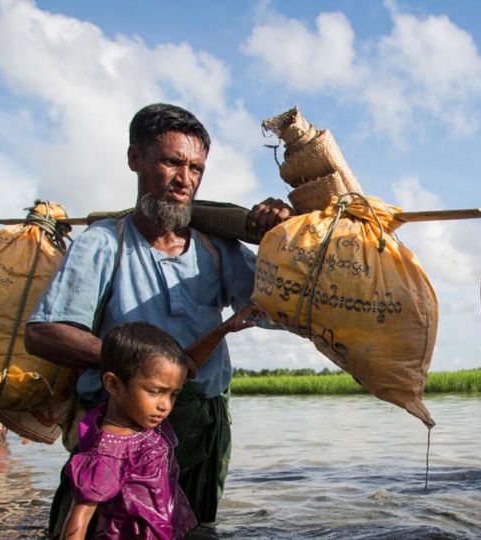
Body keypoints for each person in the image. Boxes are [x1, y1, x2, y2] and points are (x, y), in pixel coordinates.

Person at [24, 103, 292, 535]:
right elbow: (42, 333)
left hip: (201, 426)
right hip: (120, 426)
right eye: (171, 162)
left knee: (191, 529)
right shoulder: (103, 242)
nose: (185, 180)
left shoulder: (216, 247)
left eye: (196, 168)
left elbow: (281, 312)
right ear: (136, 159)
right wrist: (137, 365)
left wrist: (284, 240)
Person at [60, 322, 196, 539]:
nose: (165, 405)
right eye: (154, 392)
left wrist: (224, 328)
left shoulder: (144, 424)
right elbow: (80, 517)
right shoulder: (110, 450)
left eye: (173, 394)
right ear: (113, 385)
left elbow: (193, 363)